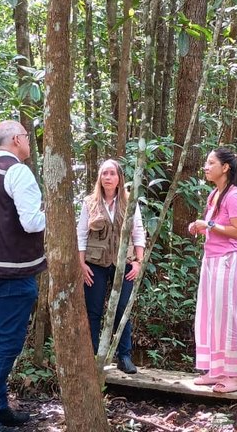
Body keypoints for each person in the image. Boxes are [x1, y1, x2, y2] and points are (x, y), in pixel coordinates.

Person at [0, 120, 46, 432]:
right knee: (7, 345)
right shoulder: (18, 172)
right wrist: (57, 214)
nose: (29, 143)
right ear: (17, 140)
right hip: (15, 272)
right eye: (27, 138)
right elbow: (31, 223)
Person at [187, 148, 237, 393]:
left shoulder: (234, 196)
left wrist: (210, 224)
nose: (205, 167)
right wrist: (201, 227)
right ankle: (216, 369)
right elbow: (217, 227)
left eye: (210, 163)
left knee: (227, 316)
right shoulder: (215, 194)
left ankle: (236, 376)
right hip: (211, 259)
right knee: (209, 315)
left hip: (227, 260)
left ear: (225, 168)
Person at [77, 159, 146, 374]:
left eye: (112, 173)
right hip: (94, 263)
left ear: (119, 178)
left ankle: (124, 356)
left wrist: (138, 261)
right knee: (94, 311)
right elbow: (81, 234)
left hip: (123, 263)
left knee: (121, 310)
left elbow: (138, 231)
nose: (108, 177)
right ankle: (93, 357)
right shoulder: (90, 202)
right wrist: (80, 264)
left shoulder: (129, 202)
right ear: (99, 177)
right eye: (104, 173)